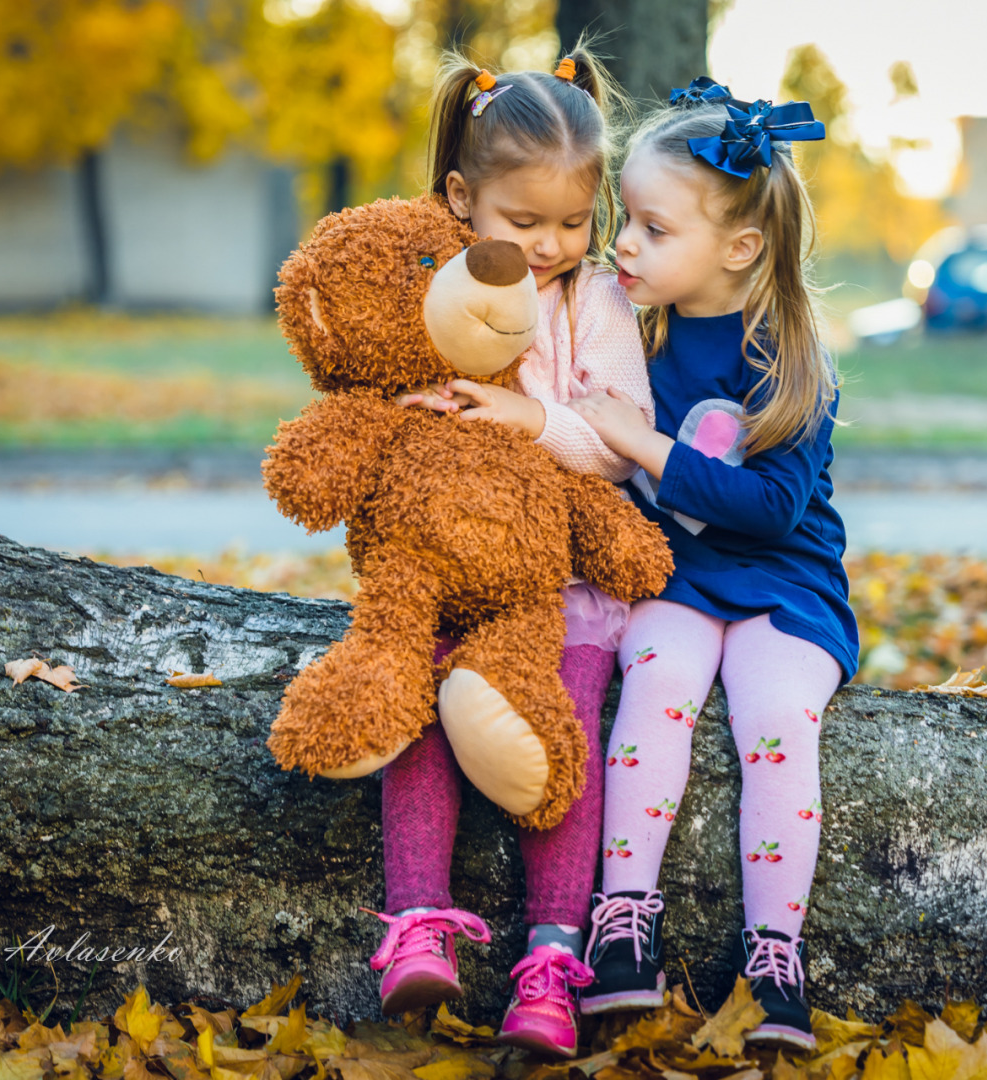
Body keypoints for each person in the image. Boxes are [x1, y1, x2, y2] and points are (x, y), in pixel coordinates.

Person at [369, 45, 652, 1059]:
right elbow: (375, 395)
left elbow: (619, 447)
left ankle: (550, 961)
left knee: (556, 743)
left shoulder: (597, 307)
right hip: (449, 571)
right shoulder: (428, 287)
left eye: (573, 223)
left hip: (568, 580)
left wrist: (526, 417)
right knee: (415, 703)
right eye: (523, 222)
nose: (550, 245)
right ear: (460, 195)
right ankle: (417, 923)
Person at [564, 77, 856, 1051]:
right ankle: (623, 923)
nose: (625, 244)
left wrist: (645, 446)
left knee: (775, 717)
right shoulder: (630, 325)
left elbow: (771, 511)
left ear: (738, 248)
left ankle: (775, 957)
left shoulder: (793, 354)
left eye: (653, 228)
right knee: (658, 686)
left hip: (784, 582)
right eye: (625, 221)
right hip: (678, 576)